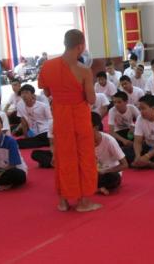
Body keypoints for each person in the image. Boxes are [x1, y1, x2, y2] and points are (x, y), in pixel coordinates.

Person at [38, 29, 100, 213]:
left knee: (63, 156)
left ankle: (63, 200)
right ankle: (83, 201)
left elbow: (46, 91)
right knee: (84, 157)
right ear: (80, 46)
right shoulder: (84, 70)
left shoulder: (48, 66)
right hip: (79, 116)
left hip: (60, 116)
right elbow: (91, 99)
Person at [93, 113, 128, 196]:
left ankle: (94, 187)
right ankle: (98, 187)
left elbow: (125, 165)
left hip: (109, 173)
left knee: (113, 178)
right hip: (93, 173)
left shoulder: (109, 140)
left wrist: (105, 171)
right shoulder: (83, 141)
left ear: (96, 127)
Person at [15, 84, 52, 149]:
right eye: (22, 93)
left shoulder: (43, 106)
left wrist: (51, 135)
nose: (24, 95)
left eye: (26, 93)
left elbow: (51, 120)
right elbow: (23, 121)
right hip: (33, 132)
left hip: (45, 131)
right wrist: (26, 137)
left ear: (33, 95)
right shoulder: (19, 105)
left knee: (20, 143)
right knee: (18, 142)